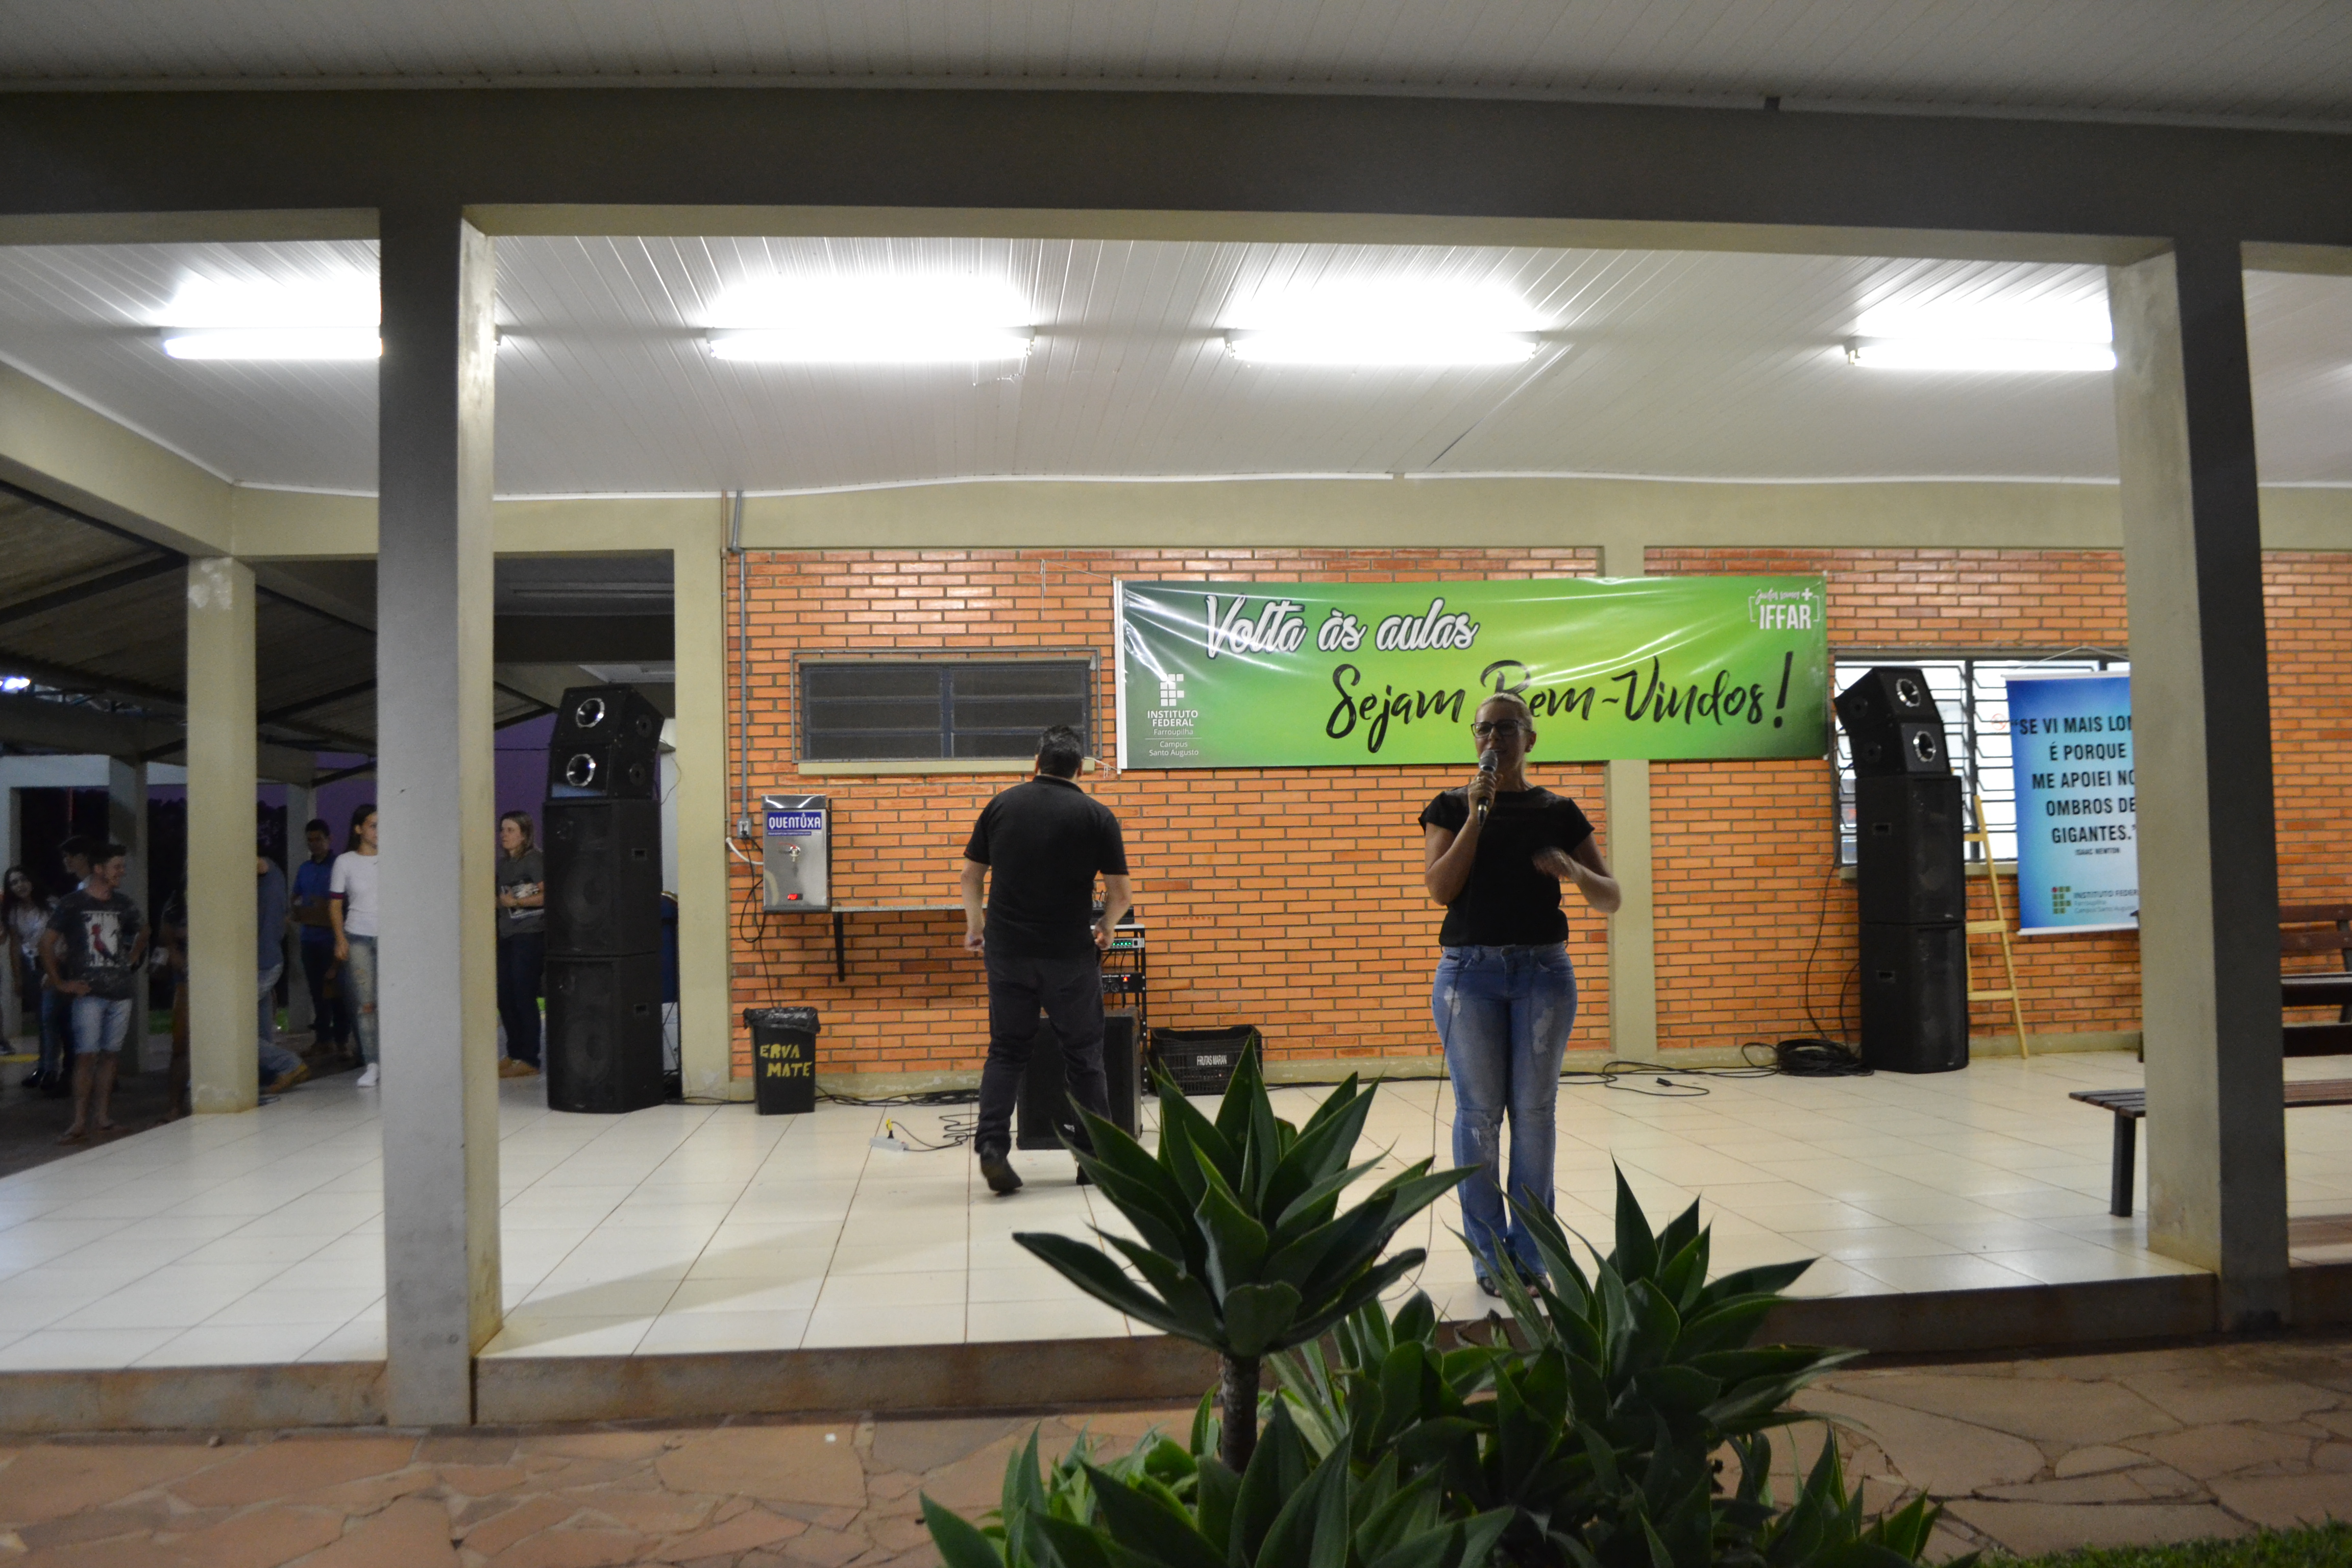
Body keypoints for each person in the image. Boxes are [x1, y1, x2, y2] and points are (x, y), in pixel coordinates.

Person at [1419, 690, 1621, 1297]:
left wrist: (1574, 870)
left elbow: (1610, 897)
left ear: (1530, 739)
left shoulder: (1558, 811)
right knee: (1478, 1115)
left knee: (1533, 1115)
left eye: (1507, 728)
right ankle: (1490, 1257)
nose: (1494, 739)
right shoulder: (1450, 806)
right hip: (1469, 976)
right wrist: (1475, 819)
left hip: (1542, 975)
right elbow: (1441, 889)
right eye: (1484, 729)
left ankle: (1531, 1254)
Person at [959, 723, 1131, 1196]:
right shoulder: (1097, 816)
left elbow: (971, 876)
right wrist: (1107, 927)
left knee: (1007, 1050)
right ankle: (1093, 1160)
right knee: (1084, 1057)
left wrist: (976, 926)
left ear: (1036, 763)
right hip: (1068, 955)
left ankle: (992, 1146)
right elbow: (1121, 895)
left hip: (1008, 952)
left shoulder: (1002, 806)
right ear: (1081, 770)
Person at [40, 841, 146, 1144]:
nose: (121, 872)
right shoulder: (73, 903)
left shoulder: (123, 903)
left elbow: (144, 929)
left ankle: (101, 1117)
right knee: (86, 1055)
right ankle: (79, 1120)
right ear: (99, 869)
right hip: (88, 992)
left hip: (119, 991)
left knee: (110, 1055)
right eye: (117, 867)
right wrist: (60, 982)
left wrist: (133, 956)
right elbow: (46, 943)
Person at [328, 804, 381, 1088]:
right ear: (359, 829)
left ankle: (396, 1058)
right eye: (373, 826)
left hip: (391, 937)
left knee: (393, 1000)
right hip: (358, 935)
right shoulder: (345, 862)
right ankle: (372, 1063)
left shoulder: (394, 858)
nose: (379, 831)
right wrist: (340, 939)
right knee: (366, 1003)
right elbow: (335, 905)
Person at [290, 818, 349, 1058]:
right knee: (317, 992)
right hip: (309, 938)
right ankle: (323, 1039)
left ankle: (342, 1041)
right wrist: (296, 910)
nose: (314, 844)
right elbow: (296, 896)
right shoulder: (305, 868)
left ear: (329, 840)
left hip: (332, 938)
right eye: (310, 840)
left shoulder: (338, 865)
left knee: (337, 991)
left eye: (319, 839)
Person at [494, 810, 545, 1079]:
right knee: (505, 995)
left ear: (524, 834)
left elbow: (546, 895)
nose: (504, 835)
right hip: (507, 935)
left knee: (523, 994)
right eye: (502, 830)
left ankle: (529, 1057)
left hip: (530, 935)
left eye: (511, 830)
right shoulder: (504, 865)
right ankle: (514, 1052)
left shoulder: (534, 860)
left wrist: (517, 902)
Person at [256, 853, 307, 1094]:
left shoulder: (267, 872)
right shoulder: (274, 879)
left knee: (230, 1027)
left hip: (261, 962)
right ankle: (267, 1076)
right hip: (267, 959)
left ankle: (288, 1064)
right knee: (260, 1026)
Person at [4, 867, 54, 1084]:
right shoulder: (14, 912)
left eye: (23, 879)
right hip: (32, 967)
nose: (20, 886)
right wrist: (18, 978)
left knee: (50, 1018)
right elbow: (15, 946)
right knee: (41, 1020)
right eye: (14, 883)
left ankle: (52, 1070)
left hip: (53, 965)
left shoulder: (50, 905)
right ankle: (44, 1068)